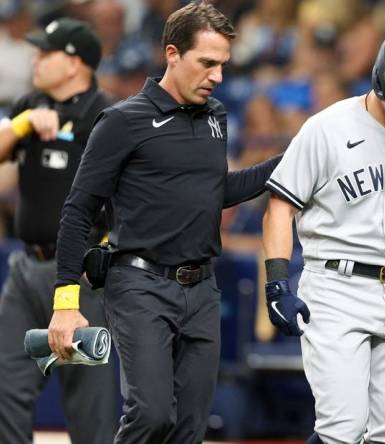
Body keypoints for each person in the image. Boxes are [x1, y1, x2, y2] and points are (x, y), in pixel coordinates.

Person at [47, 3, 281, 442]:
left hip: (203, 289)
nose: (217, 77)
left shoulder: (216, 117)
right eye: (207, 64)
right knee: (152, 415)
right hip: (140, 285)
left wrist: (289, 162)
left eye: (223, 66)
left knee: (191, 427)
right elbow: (78, 210)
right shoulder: (122, 121)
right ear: (172, 54)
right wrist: (65, 300)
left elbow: (215, 192)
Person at [262, 28, 385, 444]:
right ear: (382, 79)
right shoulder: (326, 129)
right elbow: (280, 206)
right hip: (337, 288)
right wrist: (277, 281)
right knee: (341, 430)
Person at [0, 17, 117, 444]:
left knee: (90, 405)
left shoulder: (106, 113)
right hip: (25, 267)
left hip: (80, 275)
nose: (36, 59)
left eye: (46, 53)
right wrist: (25, 122)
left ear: (74, 64)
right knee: (4, 387)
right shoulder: (29, 103)